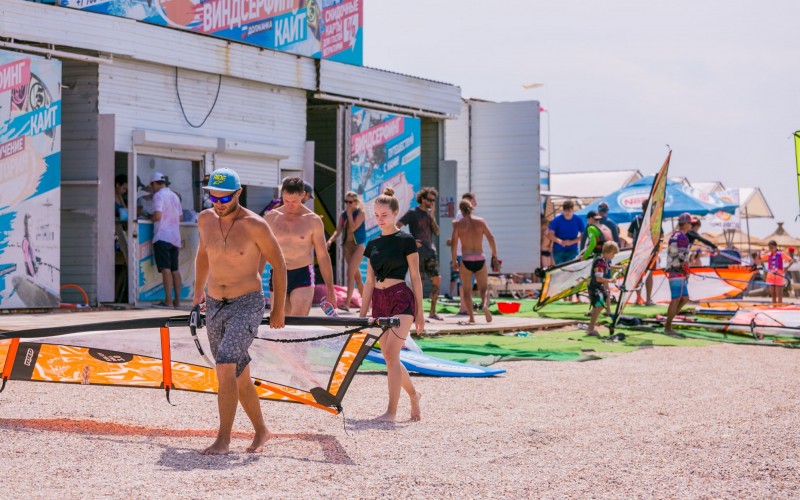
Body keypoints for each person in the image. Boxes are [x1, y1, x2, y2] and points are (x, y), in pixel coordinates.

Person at [193, 167, 287, 455]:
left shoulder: (255, 225)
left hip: (247, 302)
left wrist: (278, 309)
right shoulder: (205, 219)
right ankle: (262, 431)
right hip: (214, 303)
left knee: (224, 366)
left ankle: (223, 439)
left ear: (238, 193)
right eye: (213, 198)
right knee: (238, 373)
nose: (218, 204)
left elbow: (279, 265)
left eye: (225, 198)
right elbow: (203, 255)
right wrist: (197, 294)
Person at [360, 187, 423, 422]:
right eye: (376, 215)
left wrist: (420, 313)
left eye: (384, 215)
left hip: (401, 298)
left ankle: (391, 412)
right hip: (379, 300)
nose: (380, 219)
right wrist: (362, 314)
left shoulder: (406, 240)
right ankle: (414, 395)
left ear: (395, 213)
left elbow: (416, 277)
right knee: (389, 357)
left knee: (391, 353)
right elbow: (369, 281)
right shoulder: (373, 243)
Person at [264, 177, 336, 315]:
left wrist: (331, 290)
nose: (290, 205)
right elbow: (262, 251)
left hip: (302, 273)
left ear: (303, 195)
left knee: (299, 319)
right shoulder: (271, 217)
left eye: (294, 201)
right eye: (286, 201)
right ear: (282, 195)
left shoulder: (313, 220)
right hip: (278, 272)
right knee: (280, 320)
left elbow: (322, 256)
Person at [450, 198, 498, 324]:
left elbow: (454, 244)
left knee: (466, 291)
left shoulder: (458, 224)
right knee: (484, 288)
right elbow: (491, 237)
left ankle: (471, 317)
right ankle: (485, 305)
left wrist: (454, 260)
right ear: (472, 208)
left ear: (460, 210)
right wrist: (494, 254)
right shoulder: (481, 221)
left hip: (466, 259)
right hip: (480, 258)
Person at [397, 187, 442, 321]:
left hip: (430, 252)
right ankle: (417, 314)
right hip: (417, 254)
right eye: (430, 200)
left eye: (434, 200)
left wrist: (432, 217)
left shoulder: (429, 215)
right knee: (419, 284)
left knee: (437, 280)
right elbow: (397, 226)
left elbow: (437, 232)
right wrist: (410, 241)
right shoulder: (413, 213)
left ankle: (432, 312)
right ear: (422, 199)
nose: (432, 202)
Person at [326, 191, 367, 311]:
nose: (347, 204)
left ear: (356, 202)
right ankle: (366, 304)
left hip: (358, 247)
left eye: (350, 202)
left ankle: (347, 304)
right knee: (356, 277)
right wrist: (330, 241)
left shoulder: (360, 213)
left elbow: (353, 228)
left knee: (350, 274)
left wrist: (349, 214)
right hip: (347, 246)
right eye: (346, 202)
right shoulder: (343, 215)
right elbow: (338, 230)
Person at [150, 172, 183, 309]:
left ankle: (168, 301)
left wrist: (150, 217)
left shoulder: (158, 196)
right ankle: (177, 301)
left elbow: (157, 215)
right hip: (175, 237)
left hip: (162, 236)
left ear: (154, 183)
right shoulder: (174, 196)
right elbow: (180, 217)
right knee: (175, 269)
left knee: (166, 269)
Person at [664, 212, 693, 336]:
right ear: (685, 224)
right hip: (678, 272)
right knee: (676, 299)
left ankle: (668, 322)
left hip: (673, 270)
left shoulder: (674, 235)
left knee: (685, 298)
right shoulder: (683, 238)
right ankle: (668, 327)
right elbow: (682, 258)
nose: (691, 225)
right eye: (690, 223)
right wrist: (687, 272)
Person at [586, 241, 622, 336]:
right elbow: (598, 278)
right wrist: (610, 280)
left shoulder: (604, 260)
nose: (614, 256)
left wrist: (620, 267)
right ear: (609, 252)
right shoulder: (600, 262)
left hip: (597, 287)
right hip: (594, 287)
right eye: (613, 253)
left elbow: (609, 267)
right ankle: (590, 329)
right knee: (598, 307)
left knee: (600, 306)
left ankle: (590, 327)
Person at [628, 200, 655, 306]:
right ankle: (648, 299)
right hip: (649, 250)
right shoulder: (654, 219)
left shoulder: (636, 219)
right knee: (648, 273)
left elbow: (630, 234)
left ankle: (638, 298)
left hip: (638, 250)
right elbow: (660, 235)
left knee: (638, 274)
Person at [548, 200, 584, 264]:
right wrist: (560, 241)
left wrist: (571, 242)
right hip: (558, 250)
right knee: (560, 268)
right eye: (565, 211)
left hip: (572, 249)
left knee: (572, 267)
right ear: (563, 210)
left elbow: (583, 234)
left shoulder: (578, 220)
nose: (567, 213)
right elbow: (550, 234)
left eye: (569, 211)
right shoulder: (556, 220)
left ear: (573, 210)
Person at [760, 240, 792, 304]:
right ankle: (774, 307)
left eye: (772, 247)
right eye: (769, 248)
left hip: (779, 276)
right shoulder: (768, 255)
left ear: (776, 247)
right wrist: (761, 252)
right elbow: (760, 259)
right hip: (770, 277)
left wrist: (787, 268)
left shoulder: (781, 254)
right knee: (773, 295)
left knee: (779, 295)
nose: (771, 249)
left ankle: (779, 308)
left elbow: (791, 261)